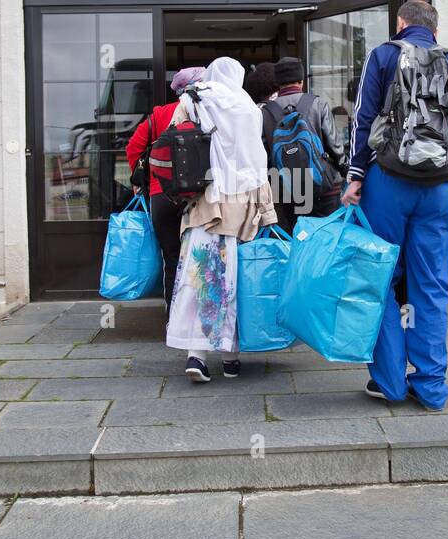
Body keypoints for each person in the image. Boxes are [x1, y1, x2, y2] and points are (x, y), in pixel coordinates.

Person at [342, 0, 448, 411]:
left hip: (387, 184)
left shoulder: (384, 55)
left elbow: (362, 118)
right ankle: (430, 388)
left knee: (379, 280)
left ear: (400, 24)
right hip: (440, 188)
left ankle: (388, 382)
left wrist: (355, 176)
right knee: (431, 287)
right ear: (435, 31)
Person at [166, 56, 277, 382]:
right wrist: (268, 213)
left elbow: (174, 145)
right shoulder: (248, 109)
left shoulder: (191, 100)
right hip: (240, 209)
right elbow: (258, 164)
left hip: (203, 202)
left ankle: (196, 356)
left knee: (199, 278)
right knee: (234, 283)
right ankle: (230, 358)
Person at [125, 66, 206, 307]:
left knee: (171, 258)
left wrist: (141, 180)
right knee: (202, 255)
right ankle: (200, 316)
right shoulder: (208, 111)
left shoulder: (158, 115)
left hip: (162, 196)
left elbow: (133, 148)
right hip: (199, 196)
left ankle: (174, 318)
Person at [260, 56, 347, 232]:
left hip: (285, 190)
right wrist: (346, 170)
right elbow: (335, 146)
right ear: (301, 81)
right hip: (323, 187)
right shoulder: (317, 103)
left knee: (295, 241)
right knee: (326, 240)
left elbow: (263, 155)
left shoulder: (265, 112)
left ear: (278, 83)